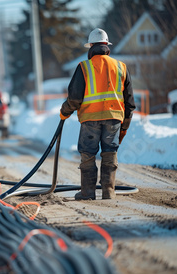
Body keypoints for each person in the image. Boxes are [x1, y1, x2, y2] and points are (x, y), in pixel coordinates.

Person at [60, 28, 136, 200]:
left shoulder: (84, 67)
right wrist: (124, 125)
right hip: (114, 119)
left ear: (91, 46)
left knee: (88, 153)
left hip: (90, 119)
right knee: (110, 152)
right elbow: (129, 102)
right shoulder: (121, 67)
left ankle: (87, 192)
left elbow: (74, 97)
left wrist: (64, 112)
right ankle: (109, 191)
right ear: (107, 47)